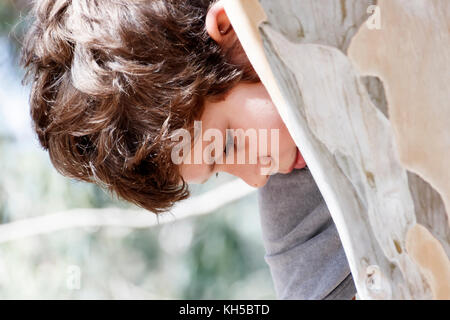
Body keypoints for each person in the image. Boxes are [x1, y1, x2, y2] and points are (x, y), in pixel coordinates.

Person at [21, 0, 355, 299]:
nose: (256, 179)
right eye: (221, 169)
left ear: (233, 27)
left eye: (227, 144)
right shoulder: (302, 223)